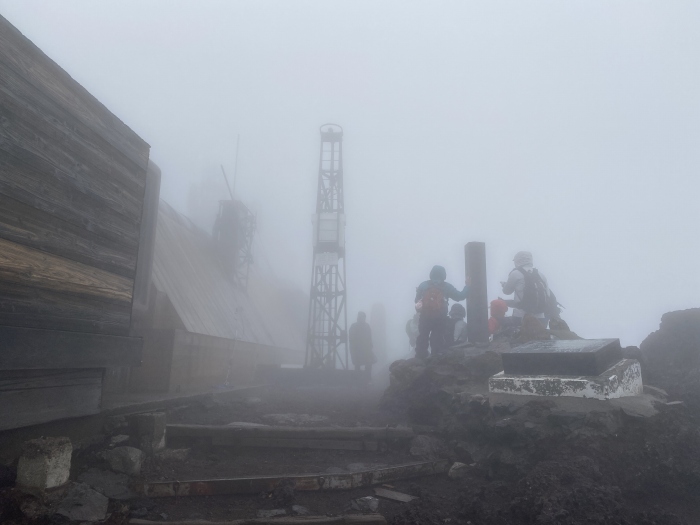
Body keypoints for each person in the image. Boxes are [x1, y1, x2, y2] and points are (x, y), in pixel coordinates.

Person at [414, 265, 468, 359]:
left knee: (423, 336)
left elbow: (417, 300)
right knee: (437, 337)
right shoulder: (446, 286)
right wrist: (468, 286)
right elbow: (460, 296)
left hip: (425, 316)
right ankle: (436, 357)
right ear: (444, 275)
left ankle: (420, 357)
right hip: (440, 318)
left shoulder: (423, 285)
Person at [500, 251, 552, 328]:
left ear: (517, 261)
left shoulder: (515, 273)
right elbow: (548, 295)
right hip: (540, 317)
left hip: (521, 316)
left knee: (520, 338)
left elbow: (506, 291)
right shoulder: (540, 275)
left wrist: (504, 285)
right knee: (539, 339)